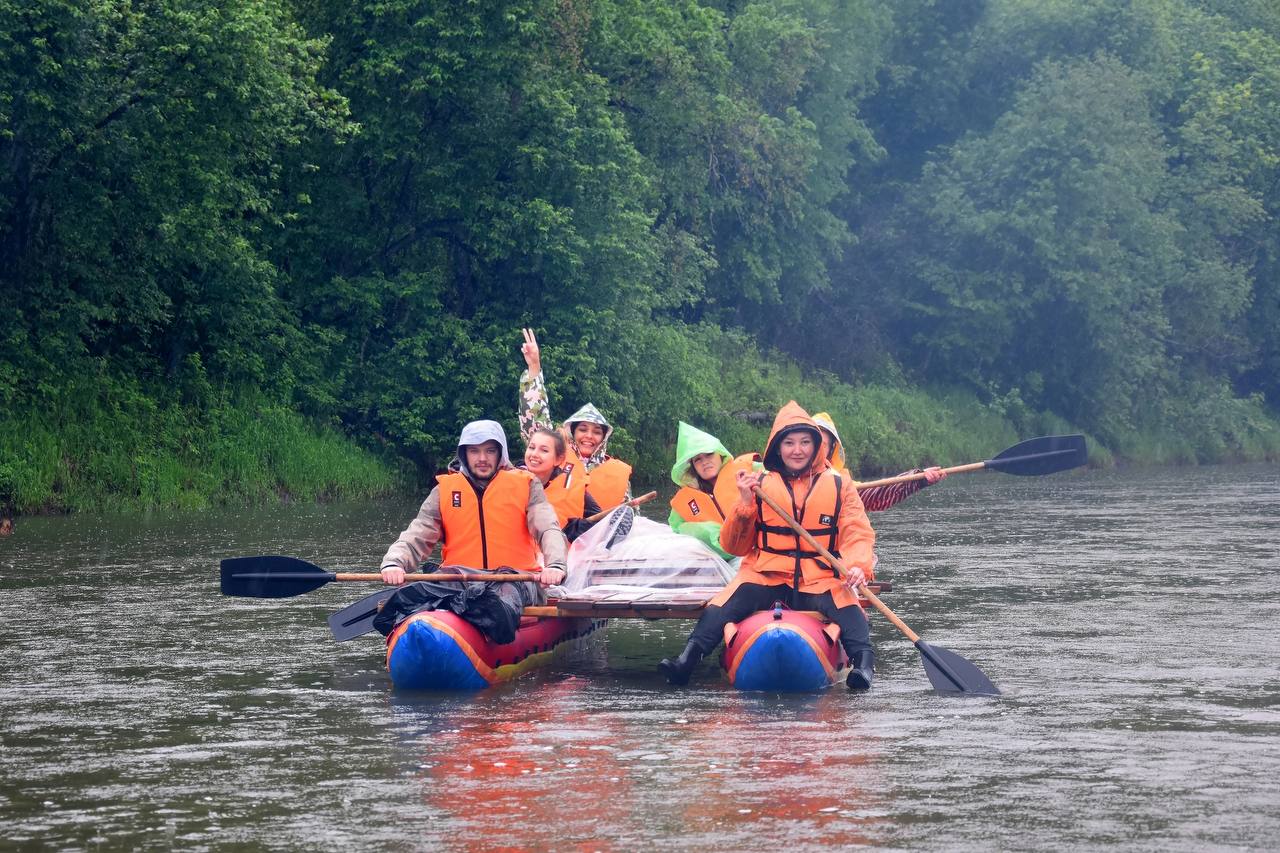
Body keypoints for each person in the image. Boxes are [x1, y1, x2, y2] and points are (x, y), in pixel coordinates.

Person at [658, 402, 878, 691]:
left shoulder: (840, 486)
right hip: (767, 574)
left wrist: (857, 566)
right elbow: (734, 545)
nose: (797, 450)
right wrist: (745, 506)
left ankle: (863, 665)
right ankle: (686, 660)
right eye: (789, 443)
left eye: (804, 442)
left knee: (849, 608)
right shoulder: (759, 484)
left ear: (816, 446)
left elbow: (856, 531)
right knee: (720, 607)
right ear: (777, 447)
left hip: (819, 578)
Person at [380, 420, 567, 601]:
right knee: (413, 594)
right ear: (464, 454)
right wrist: (395, 562)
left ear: (500, 453)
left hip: (515, 579)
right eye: (474, 451)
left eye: (490, 451)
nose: (482, 459)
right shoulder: (444, 489)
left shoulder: (527, 484)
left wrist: (556, 565)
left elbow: (548, 528)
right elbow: (418, 533)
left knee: (498, 599)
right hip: (460, 579)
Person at [518, 328, 632, 508]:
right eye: (583, 429)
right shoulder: (555, 456)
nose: (589, 436)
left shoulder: (617, 473)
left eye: (596, 432)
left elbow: (631, 519)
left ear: (603, 438)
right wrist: (534, 368)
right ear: (572, 432)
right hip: (557, 533)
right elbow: (535, 421)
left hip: (601, 535)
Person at [812, 411, 947, 511]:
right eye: (809, 443)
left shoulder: (841, 486)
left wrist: (918, 478)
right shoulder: (789, 482)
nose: (815, 450)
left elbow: (878, 494)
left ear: (831, 450)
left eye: (822, 445)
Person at [666, 421, 759, 560]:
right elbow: (677, 529)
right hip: (725, 558)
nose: (705, 462)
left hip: (758, 550)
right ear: (693, 467)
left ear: (720, 455)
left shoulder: (750, 469)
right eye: (698, 459)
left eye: (709, 454)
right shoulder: (684, 500)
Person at [522, 425, 604, 542]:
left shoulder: (574, 487)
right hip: (519, 557)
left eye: (544, 450)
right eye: (531, 447)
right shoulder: (512, 480)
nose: (534, 454)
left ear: (558, 460)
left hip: (559, 556)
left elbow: (602, 523)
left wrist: (578, 529)